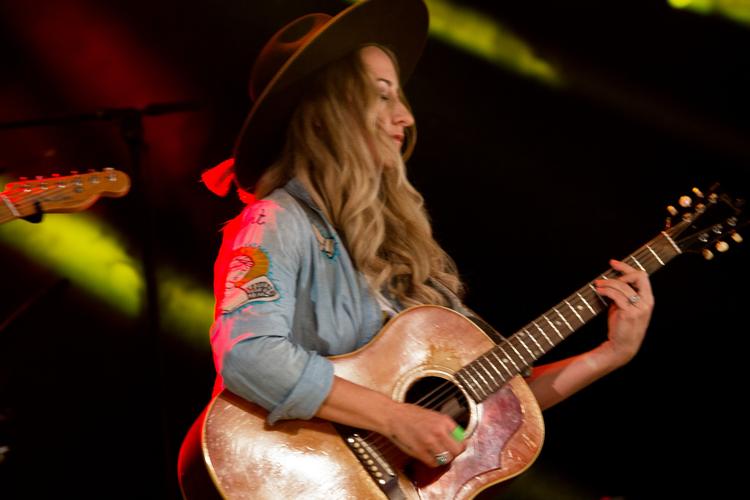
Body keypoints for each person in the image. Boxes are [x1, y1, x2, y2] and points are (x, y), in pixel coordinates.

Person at [179, 0, 654, 496]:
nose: (404, 116)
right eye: (382, 95)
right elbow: (249, 354)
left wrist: (608, 355)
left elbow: (494, 402)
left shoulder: (397, 248)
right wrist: (394, 417)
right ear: (329, 113)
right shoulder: (277, 220)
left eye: (400, 97)